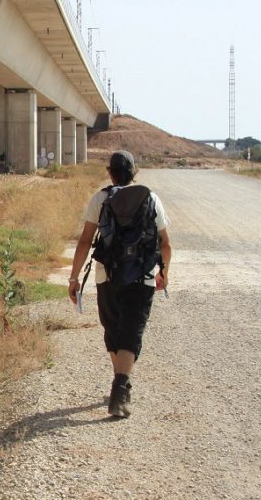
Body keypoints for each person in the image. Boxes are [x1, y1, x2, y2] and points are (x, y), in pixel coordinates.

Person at [68, 151, 172, 418]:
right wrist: (165, 272)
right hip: (143, 276)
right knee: (132, 331)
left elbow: (84, 241)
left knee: (113, 329)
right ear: (134, 172)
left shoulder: (101, 198)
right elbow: (165, 243)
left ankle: (120, 385)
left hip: (108, 275)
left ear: (109, 171)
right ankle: (120, 387)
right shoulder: (151, 198)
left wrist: (74, 277)